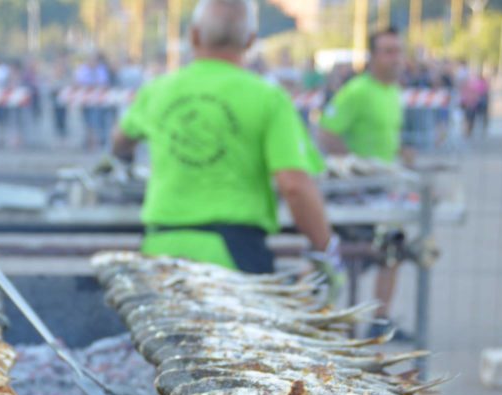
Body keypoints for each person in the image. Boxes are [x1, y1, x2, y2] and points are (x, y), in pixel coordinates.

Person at [110, 0, 344, 294]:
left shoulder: (158, 91)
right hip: (234, 256)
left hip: (161, 249)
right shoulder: (267, 97)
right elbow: (294, 184)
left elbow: (119, 139)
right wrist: (326, 249)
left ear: (193, 36)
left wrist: (125, 160)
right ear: (250, 41)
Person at [318, 26, 413, 338]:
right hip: (355, 196)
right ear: (373, 57)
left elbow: (386, 140)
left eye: (398, 50)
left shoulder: (394, 92)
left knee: (394, 249)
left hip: (386, 194)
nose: (395, 58)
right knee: (335, 257)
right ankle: (320, 319)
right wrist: (355, 169)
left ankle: (381, 320)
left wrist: (401, 155)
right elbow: (326, 132)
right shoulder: (357, 91)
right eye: (388, 51)